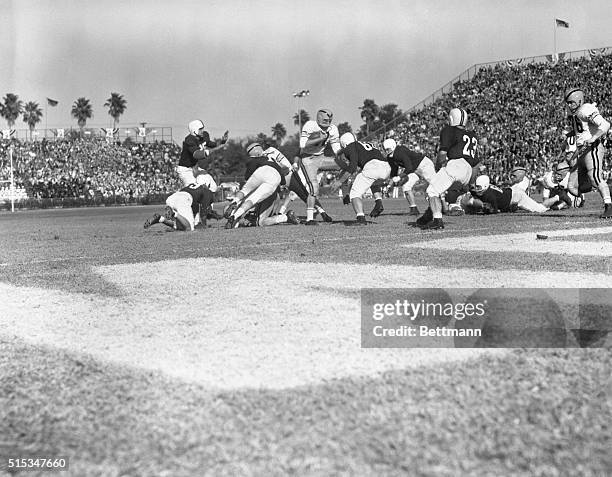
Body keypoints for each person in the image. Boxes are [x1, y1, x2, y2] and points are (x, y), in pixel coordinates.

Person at [416, 107, 480, 229]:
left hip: (456, 165)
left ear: (451, 119)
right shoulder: (472, 135)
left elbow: (442, 154)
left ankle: (437, 220)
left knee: (432, 191)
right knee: (438, 189)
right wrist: (471, 182)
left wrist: (439, 167)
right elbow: (476, 164)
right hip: (468, 170)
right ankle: (428, 216)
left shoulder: (449, 130)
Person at [563, 87, 612, 218]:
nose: (569, 105)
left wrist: (593, 138)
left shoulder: (586, 109)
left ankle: (609, 206)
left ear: (579, 101)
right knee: (573, 186)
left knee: (595, 177)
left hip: (592, 148)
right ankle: (607, 188)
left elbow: (605, 125)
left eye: (571, 102)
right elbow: (582, 130)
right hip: (581, 151)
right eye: (567, 102)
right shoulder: (575, 113)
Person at [224, 143, 295, 229]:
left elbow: (247, 179)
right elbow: (283, 182)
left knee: (245, 193)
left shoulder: (254, 161)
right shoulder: (272, 160)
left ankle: (234, 207)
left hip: (262, 180)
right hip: (273, 180)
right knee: (258, 216)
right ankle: (285, 217)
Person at [329, 133, 391, 225]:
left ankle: (361, 218)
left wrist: (339, 182)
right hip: (386, 168)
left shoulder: (350, 147)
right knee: (372, 181)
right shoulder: (365, 145)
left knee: (355, 193)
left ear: (344, 143)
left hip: (372, 167)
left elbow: (352, 167)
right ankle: (378, 201)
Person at [298, 109, 342, 225]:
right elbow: (302, 144)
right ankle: (310, 219)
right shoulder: (310, 125)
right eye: (325, 120)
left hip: (321, 158)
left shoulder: (333, 129)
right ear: (319, 119)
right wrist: (320, 138)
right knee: (314, 188)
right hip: (308, 159)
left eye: (329, 120)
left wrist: (343, 155)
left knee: (345, 164)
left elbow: (336, 147)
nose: (327, 123)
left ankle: (346, 191)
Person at [383, 138, 436, 216]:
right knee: (406, 186)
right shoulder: (390, 157)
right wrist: (389, 185)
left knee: (435, 185)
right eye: (385, 149)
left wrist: (400, 177)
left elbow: (408, 168)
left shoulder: (400, 152)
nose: (386, 151)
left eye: (388, 149)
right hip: (414, 169)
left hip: (423, 164)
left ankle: (444, 207)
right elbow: (394, 171)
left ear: (393, 146)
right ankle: (413, 209)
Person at [176, 119, 229, 186]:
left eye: (202, 129)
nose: (202, 131)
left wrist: (222, 141)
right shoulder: (189, 140)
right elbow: (197, 154)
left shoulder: (204, 135)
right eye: (200, 129)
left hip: (195, 168)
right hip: (185, 170)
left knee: (212, 186)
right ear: (194, 130)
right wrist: (214, 149)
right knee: (193, 188)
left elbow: (211, 144)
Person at [144, 182, 214, 231]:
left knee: (180, 225)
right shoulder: (206, 191)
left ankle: (160, 219)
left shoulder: (191, 186)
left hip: (171, 198)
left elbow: (194, 207)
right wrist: (204, 225)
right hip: (183, 199)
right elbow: (204, 210)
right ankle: (174, 213)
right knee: (189, 228)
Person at [467, 174, 548, 214]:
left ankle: (555, 199)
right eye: (476, 186)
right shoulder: (486, 190)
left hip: (516, 196)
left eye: (479, 187)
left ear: (485, 186)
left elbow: (493, 211)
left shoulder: (489, 195)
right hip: (511, 192)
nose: (477, 189)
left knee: (540, 209)